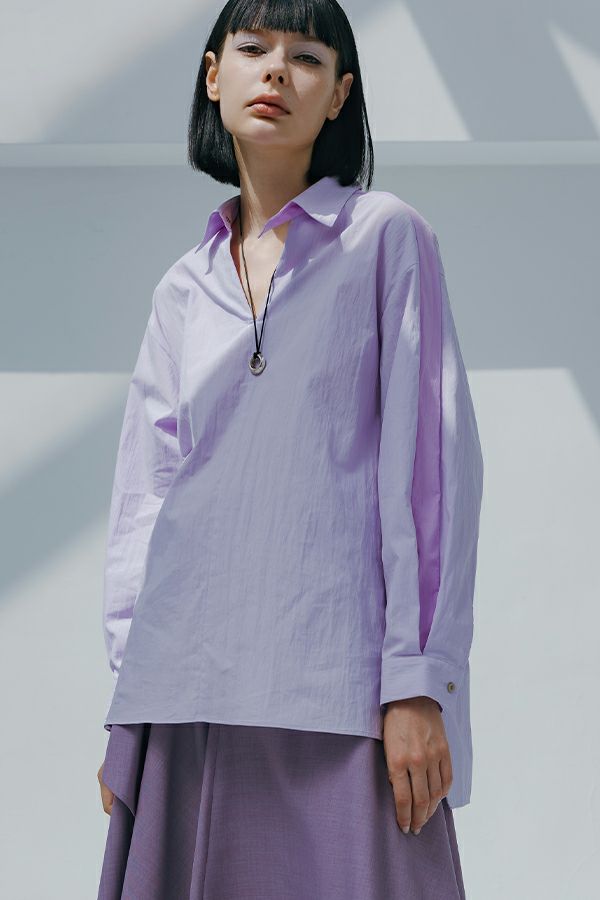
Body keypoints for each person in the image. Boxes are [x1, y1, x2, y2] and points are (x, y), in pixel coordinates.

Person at [96, 1, 484, 898]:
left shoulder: (385, 237)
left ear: (339, 94)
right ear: (213, 76)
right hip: (185, 696)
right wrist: (128, 702)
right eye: (252, 48)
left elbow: (431, 476)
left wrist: (419, 681)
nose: (275, 70)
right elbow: (144, 507)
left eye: (307, 56)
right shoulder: (182, 289)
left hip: (340, 690)